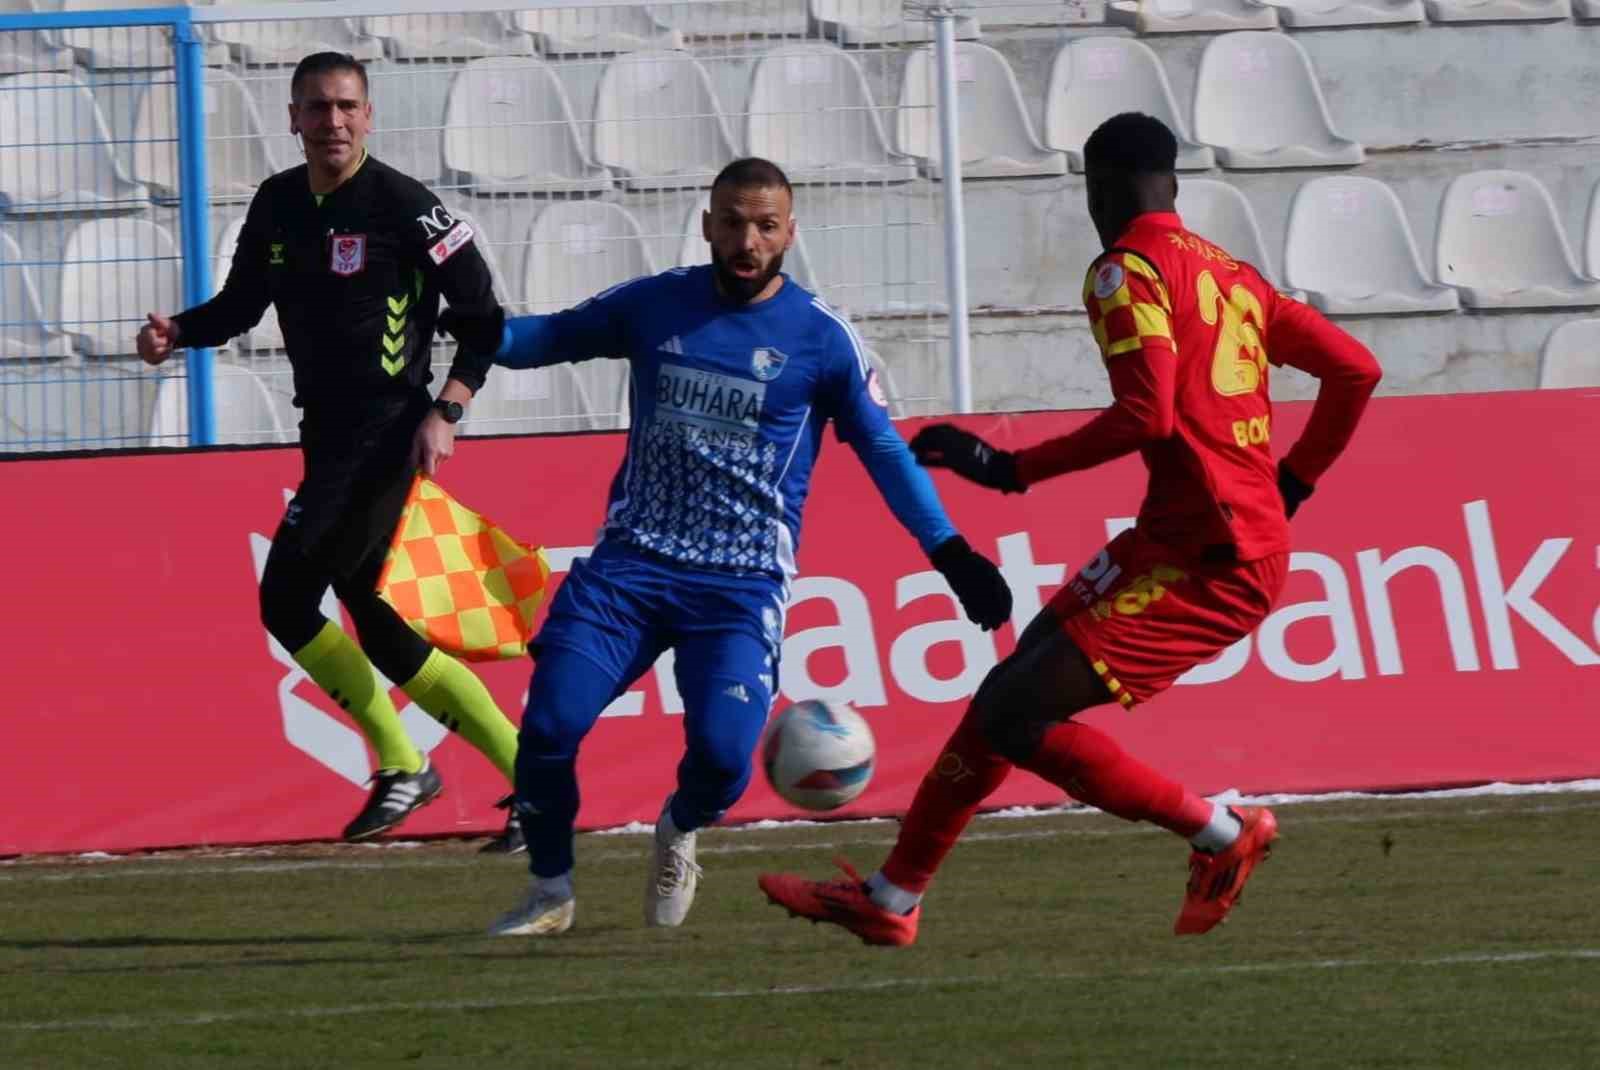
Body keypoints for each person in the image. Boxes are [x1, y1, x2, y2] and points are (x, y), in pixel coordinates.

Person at [757, 112, 1383, 945]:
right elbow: (1357, 368)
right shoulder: (1233, 276)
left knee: (1017, 711)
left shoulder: (1124, 272)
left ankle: (1225, 837)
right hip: (1178, 538)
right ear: (1173, 184)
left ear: (1097, 188)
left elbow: (1147, 413)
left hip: (1214, 561)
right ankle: (892, 896)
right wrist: (1295, 481)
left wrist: (1009, 467)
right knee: (1004, 697)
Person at [472, 157, 1013, 937]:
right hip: (631, 566)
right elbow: (546, 339)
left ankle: (679, 827)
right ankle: (550, 890)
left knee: (726, 760)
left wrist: (951, 551)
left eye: (764, 225)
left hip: (739, 587)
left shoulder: (821, 341)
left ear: (790, 232)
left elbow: (887, 454)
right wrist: (475, 327)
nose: (746, 240)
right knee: (550, 726)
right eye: (732, 221)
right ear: (707, 224)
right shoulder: (656, 304)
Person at [137, 51, 527, 849]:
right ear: (293, 118)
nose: (332, 122)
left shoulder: (405, 207)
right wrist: (178, 332)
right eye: (316, 108)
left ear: (369, 115)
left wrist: (449, 409)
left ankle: (405, 763)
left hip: (387, 436)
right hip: (326, 436)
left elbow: (484, 316)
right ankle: (526, 780)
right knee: (379, 625)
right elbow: (242, 306)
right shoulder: (279, 204)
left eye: (346, 106)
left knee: (286, 596)